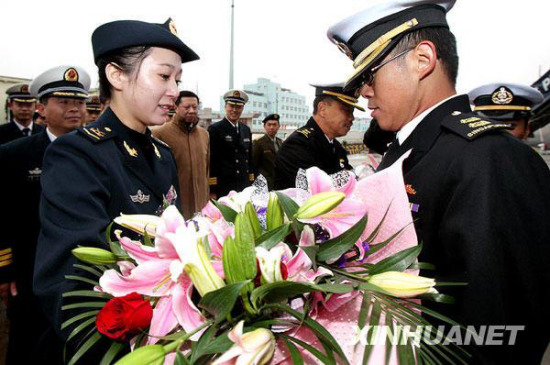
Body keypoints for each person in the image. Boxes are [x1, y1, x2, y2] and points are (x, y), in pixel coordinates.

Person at [327, 0, 550, 363]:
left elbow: (500, 321)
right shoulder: (410, 147)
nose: (363, 91)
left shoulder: (489, 158)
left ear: (422, 60)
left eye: (370, 75)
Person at [33, 18, 199, 362]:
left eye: (178, 80)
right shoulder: (78, 153)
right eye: (164, 76)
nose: (174, 91)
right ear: (117, 75)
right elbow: (69, 285)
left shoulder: (161, 154)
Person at [0, 65, 90, 363]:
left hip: (85, 270)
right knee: (27, 346)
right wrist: (6, 270)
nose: (74, 109)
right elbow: (4, 217)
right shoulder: (14, 154)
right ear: (42, 108)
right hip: (32, 270)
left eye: (78, 102)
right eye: (63, 102)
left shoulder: (98, 151)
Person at [274, 83, 364, 189]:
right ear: (322, 109)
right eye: (347, 110)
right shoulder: (297, 145)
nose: (352, 118)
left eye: (352, 112)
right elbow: (314, 191)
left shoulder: (336, 147)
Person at [152, 90, 210, 219]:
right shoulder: (159, 133)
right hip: (174, 207)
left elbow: (206, 171)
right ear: (176, 107)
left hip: (201, 207)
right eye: (187, 107)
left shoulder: (204, 134)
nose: (191, 110)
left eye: (194, 107)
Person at [208, 89, 254, 198]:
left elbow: (250, 159)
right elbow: (212, 161)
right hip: (224, 187)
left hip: (243, 186)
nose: (234, 110)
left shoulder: (246, 129)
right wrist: (213, 189)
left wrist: (251, 182)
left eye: (238, 107)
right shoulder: (215, 129)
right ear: (225, 107)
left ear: (242, 108)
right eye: (231, 106)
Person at [469, 83, 543, 140]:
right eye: (486, 125)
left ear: (527, 129)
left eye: (509, 126)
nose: (498, 131)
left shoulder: (533, 159)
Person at [252, 113, 282, 189]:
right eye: (269, 125)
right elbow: (253, 164)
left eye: (274, 125)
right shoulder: (258, 143)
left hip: (278, 183)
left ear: (278, 126)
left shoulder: (280, 142)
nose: (271, 127)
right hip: (264, 184)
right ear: (264, 127)